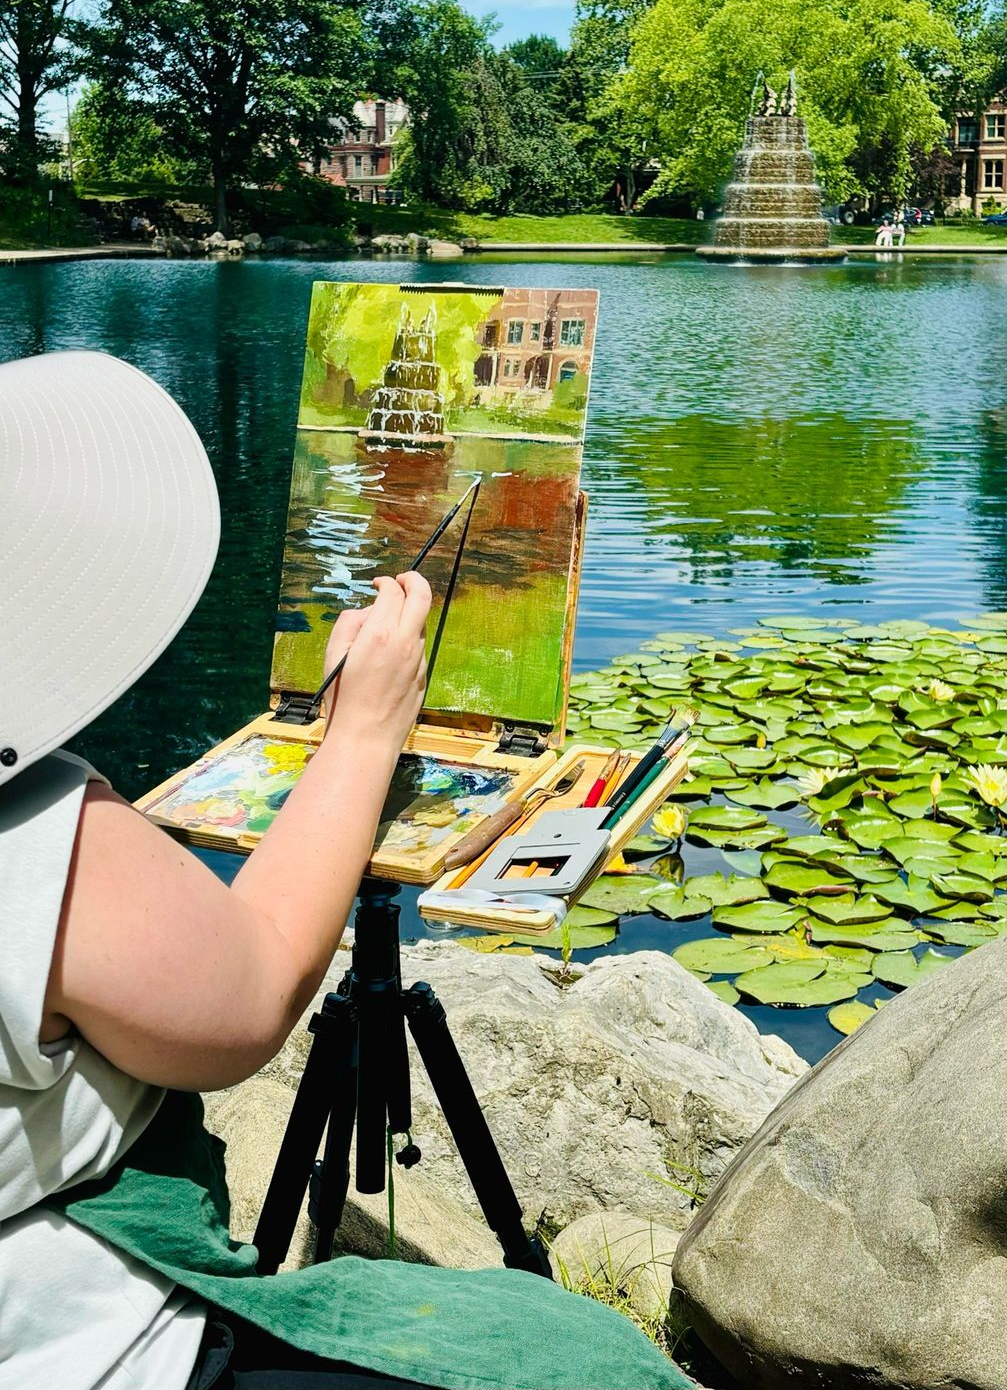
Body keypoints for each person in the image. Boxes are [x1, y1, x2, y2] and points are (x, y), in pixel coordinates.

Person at [0, 350, 688, 1390]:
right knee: (581, 1360)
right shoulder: (41, 833)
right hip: (74, 1344)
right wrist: (364, 733)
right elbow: (253, 982)